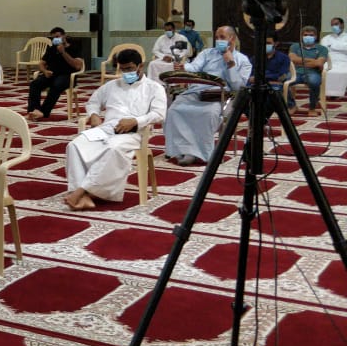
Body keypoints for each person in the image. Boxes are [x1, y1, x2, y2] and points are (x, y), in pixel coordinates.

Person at [64, 49, 166, 210]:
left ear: (140, 66)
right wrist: (94, 115)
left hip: (134, 133)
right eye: (123, 69)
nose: (126, 73)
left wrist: (135, 121)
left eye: (130, 68)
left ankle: (81, 192)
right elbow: (93, 102)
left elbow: (159, 114)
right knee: (75, 145)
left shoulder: (154, 88)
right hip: (107, 129)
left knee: (112, 149)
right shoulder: (111, 85)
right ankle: (83, 195)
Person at [163, 26, 251, 166]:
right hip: (197, 90)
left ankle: (202, 153)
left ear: (232, 38)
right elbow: (194, 67)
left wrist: (230, 63)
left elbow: (238, 87)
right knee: (174, 110)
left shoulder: (242, 60)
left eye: (222, 37)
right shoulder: (207, 53)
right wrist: (183, 67)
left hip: (220, 96)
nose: (218, 40)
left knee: (208, 114)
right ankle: (185, 151)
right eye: (216, 37)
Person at [26, 27, 84, 121]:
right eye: (53, 38)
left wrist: (63, 52)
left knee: (56, 85)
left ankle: (43, 112)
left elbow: (77, 66)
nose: (56, 39)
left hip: (67, 76)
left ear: (64, 36)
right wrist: (45, 71)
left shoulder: (74, 47)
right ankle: (33, 110)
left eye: (57, 37)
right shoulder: (51, 49)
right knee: (35, 84)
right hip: (52, 74)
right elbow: (41, 63)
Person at [289, 25, 328, 115]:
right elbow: (292, 59)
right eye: (305, 35)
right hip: (296, 72)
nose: (308, 37)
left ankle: (312, 108)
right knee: (283, 81)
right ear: (301, 36)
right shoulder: (295, 46)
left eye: (311, 35)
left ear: (316, 36)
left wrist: (299, 61)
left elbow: (319, 63)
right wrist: (312, 61)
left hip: (313, 72)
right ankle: (292, 105)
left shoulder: (322, 48)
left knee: (314, 82)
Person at [322, 17, 347, 98]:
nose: (334, 26)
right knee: (326, 71)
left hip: (344, 61)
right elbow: (324, 50)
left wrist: (332, 46)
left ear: (342, 25)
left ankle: (339, 92)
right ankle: (329, 92)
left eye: (336, 24)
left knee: (343, 72)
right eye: (332, 25)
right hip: (329, 60)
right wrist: (342, 47)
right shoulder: (326, 38)